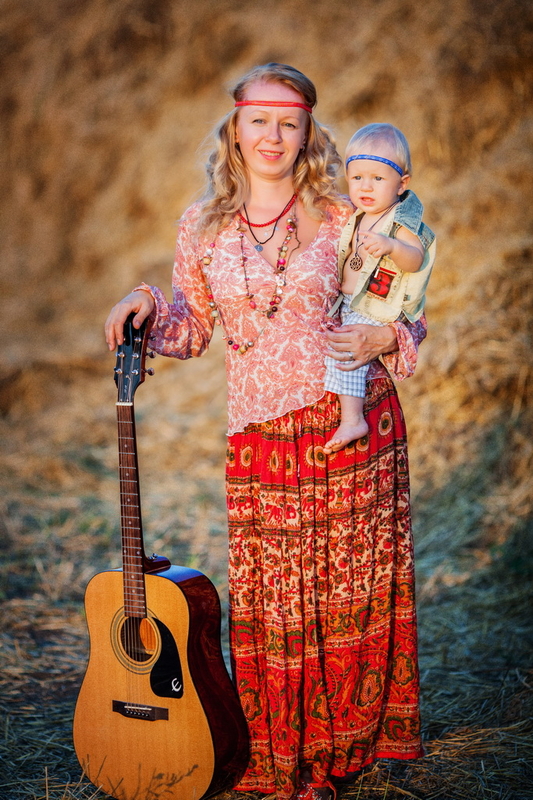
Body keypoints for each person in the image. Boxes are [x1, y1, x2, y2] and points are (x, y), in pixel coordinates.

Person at [105, 63, 426, 800]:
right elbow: (191, 332)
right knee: (274, 601)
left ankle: (341, 750)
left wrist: (387, 342)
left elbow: (407, 300)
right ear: (235, 130)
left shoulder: (347, 214)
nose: (273, 136)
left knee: (345, 597)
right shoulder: (203, 225)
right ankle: (281, 750)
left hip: (350, 423)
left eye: (289, 122)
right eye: (259, 121)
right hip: (259, 437)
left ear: (307, 130)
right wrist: (147, 303)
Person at [323, 124, 436, 454]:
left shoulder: (400, 221)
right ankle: (349, 415)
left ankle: (352, 419)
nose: (365, 187)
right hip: (350, 302)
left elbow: (415, 259)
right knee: (339, 352)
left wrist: (391, 246)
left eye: (378, 178)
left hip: (376, 306)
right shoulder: (358, 217)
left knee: (348, 356)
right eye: (357, 178)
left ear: (402, 184)